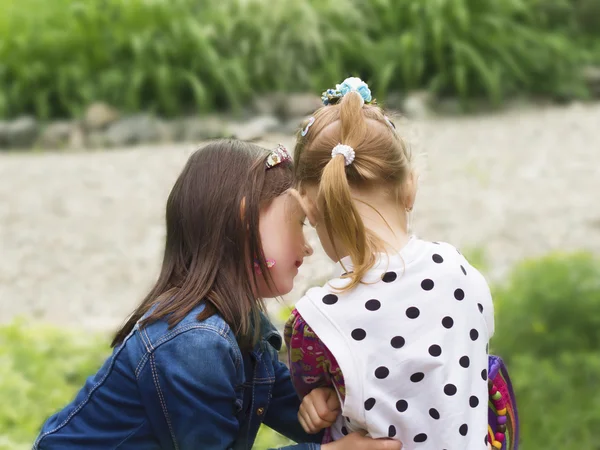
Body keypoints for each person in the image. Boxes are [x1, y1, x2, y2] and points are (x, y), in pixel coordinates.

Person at [34, 140, 402, 450]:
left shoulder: (241, 324)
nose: (308, 248)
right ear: (245, 221)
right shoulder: (194, 343)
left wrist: (321, 404)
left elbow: (296, 409)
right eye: (300, 223)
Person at [285, 77, 499, 449]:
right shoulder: (461, 271)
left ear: (310, 208)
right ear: (410, 188)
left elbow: (317, 387)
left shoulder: (317, 319)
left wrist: (322, 398)